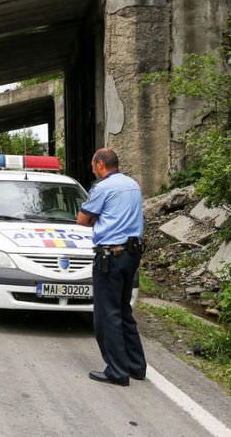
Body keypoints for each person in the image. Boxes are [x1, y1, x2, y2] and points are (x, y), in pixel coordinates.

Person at [76, 148, 147, 387]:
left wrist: (99, 217)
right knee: (124, 310)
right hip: (132, 254)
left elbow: (83, 219)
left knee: (108, 314)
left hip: (111, 255)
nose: (93, 169)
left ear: (100, 164)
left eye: (93, 165)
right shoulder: (133, 185)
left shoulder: (103, 188)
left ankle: (117, 371)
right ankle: (136, 367)